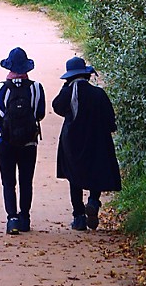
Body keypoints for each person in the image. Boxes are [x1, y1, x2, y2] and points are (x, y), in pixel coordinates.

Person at [51, 55, 121, 231]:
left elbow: (57, 107)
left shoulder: (68, 93)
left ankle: (79, 217)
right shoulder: (98, 94)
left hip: (72, 143)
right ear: (87, 75)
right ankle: (93, 201)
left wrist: (66, 87)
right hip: (97, 141)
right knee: (95, 173)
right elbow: (110, 121)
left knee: (74, 178)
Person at [0, 45, 46, 235]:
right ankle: (25, 218)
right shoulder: (37, 88)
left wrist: (8, 126)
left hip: (5, 141)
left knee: (8, 182)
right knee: (26, 181)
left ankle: (12, 219)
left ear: (9, 67)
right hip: (29, 142)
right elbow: (40, 113)